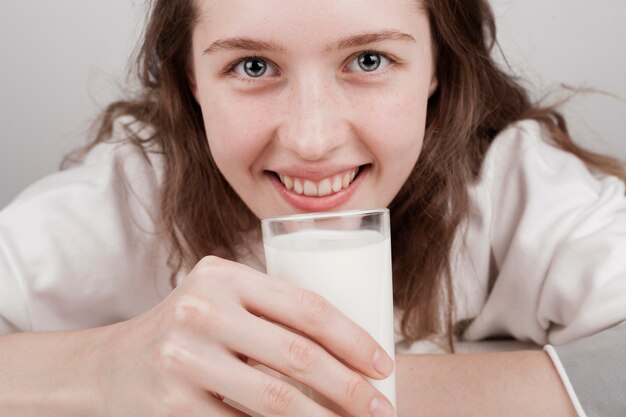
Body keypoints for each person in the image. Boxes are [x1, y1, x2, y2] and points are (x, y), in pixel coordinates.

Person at [0, 0, 624, 416]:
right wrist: (110, 365)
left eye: (369, 60)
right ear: (192, 77)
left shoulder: (507, 182)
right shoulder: (134, 192)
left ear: (437, 65)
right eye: (252, 65)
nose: (311, 138)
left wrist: (333, 395)